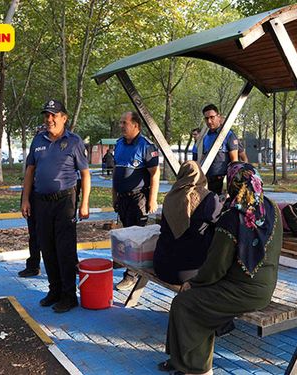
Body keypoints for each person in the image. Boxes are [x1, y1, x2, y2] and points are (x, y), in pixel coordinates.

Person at [159, 162, 282, 375]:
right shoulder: (270, 207)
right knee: (191, 302)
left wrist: (193, 282)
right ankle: (180, 360)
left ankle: (197, 368)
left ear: (233, 184)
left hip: (241, 290)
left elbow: (215, 268)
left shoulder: (232, 217)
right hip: (265, 287)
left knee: (185, 303)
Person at [21, 99, 91, 313]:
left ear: (64, 118)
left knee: (65, 250)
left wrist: (85, 203)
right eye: (46, 115)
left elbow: (85, 174)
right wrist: (25, 199)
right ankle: (54, 290)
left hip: (65, 202)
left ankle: (69, 296)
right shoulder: (38, 140)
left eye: (53, 115)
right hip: (41, 201)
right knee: (47, 248)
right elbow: (30, 171)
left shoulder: (74, 141)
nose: (49, 119)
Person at [112, 111, 160, 291]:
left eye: (124, 122)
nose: (121, 126)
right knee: (124, 236)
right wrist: (114, 197)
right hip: (122, 199)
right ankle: (128, 266)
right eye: (121, 122)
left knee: (135, 238)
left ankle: (131, 276)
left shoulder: (146, 146)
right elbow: (117, 173)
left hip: (138, 198)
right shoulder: (119, 144)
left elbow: (155, 174)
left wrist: (152, 200)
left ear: (136, 125)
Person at [153, 161, 222, 285]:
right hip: (191, 271)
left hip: (161, 266)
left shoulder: (170, 196)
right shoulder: (207, 198)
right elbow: (220, 220)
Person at [17, 124, 47, 278]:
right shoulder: (35, 149)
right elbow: (29, 173)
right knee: (34, 234)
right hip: (34, 197)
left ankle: (68, 265)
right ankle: (33, 265)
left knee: (57, 235)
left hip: (52, 199)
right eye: (39, 135)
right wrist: (25, 199)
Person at [197, 104, 239, 195]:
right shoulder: (206, 137)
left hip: (223, 180)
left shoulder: (228, 135)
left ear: (218, 117)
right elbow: (203, 157)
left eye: (212, 117)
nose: (209, 121)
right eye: (206, 118)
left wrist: (231, 183)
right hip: (208, 180)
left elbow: (234, 161)